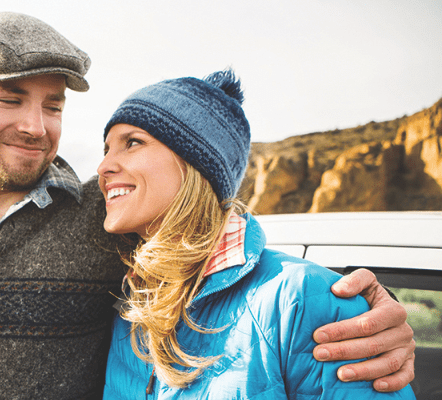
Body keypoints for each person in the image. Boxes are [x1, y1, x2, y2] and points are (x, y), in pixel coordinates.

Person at [0, 12, 415, 399]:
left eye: (53, 106)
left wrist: (371, 309)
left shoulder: (95, 218)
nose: (36, 125)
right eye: (11, 99)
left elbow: (217, 249)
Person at [99, 70, 415, 399]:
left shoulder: (299, 297)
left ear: (196, 163)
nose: (103, 167)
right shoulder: (131, 304)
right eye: (106, 149)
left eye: (132, 143)